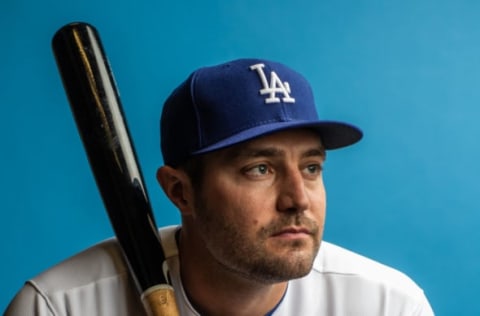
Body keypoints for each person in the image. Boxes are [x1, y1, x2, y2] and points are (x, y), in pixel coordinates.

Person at [5, 58, 434, 315]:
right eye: (260, 169)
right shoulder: (59, 307)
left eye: (311, 168)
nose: (297, 200)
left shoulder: (387, 305)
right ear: (180, 192)